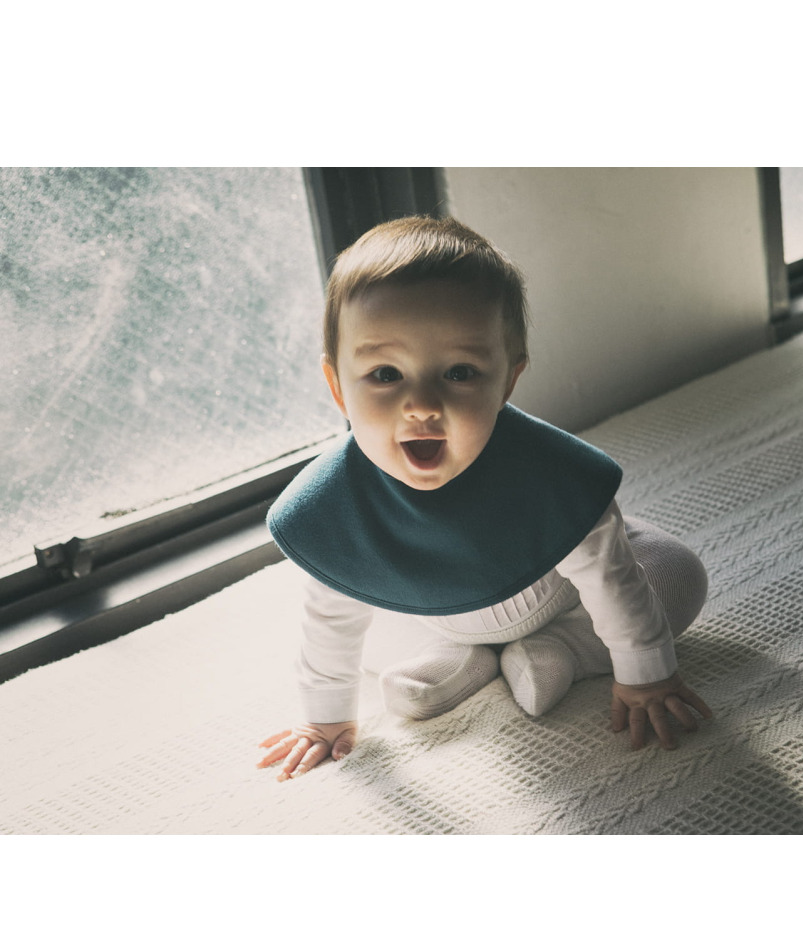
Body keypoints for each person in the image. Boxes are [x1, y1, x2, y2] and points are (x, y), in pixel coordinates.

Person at [256, 215, 711, 782]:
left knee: (675, 575)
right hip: (433, 615)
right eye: (386, 374)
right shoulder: (337, 500)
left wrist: (646, 675)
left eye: (459, 372)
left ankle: (563, 651)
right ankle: (455, 662)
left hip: (558, 595)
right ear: (337, 388)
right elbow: (331, 617)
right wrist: (324, 718)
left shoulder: (547, 472)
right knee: (352, 621)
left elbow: (608, 576)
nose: (422, 405)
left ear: (508, 381)